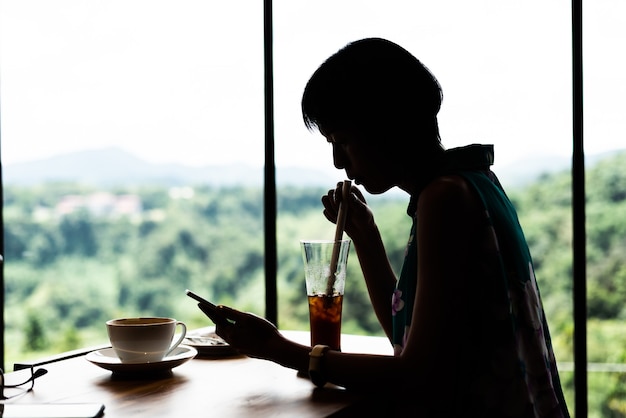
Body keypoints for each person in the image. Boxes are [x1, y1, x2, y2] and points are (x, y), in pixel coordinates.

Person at [199, 38, 569, 417]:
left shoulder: (445, 198)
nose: (338, 161)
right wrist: (366, 236)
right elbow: (409, 337)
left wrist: (279, 350)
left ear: (387, 124)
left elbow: (417, 375)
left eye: (343, 141)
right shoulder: (474, 181)